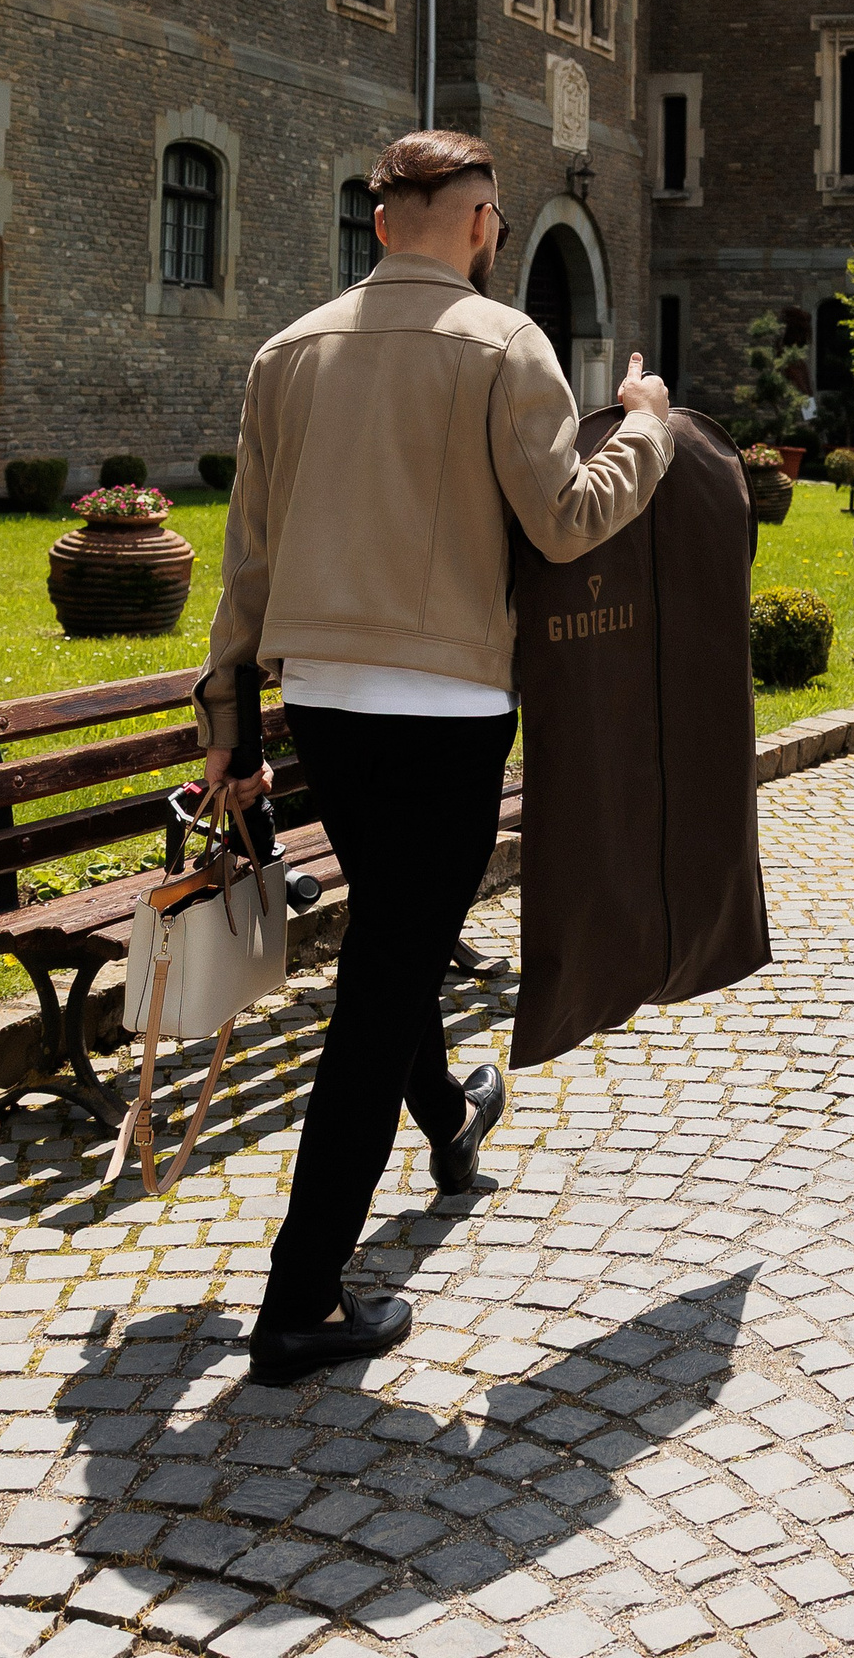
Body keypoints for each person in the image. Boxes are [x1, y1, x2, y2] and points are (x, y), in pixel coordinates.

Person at [197, 130, 673, 1384]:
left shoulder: (287, 351)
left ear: (378, 222)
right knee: (387, 973)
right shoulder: (506, 343)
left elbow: (248, 557)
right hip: (448, 708)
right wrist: (648, 430)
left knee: (394, 940)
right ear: (477, 223)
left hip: (325, 702)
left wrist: (227, 714)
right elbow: (565, 520)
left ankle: (451, 1120)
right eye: (495, 221)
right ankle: (301, 1296)